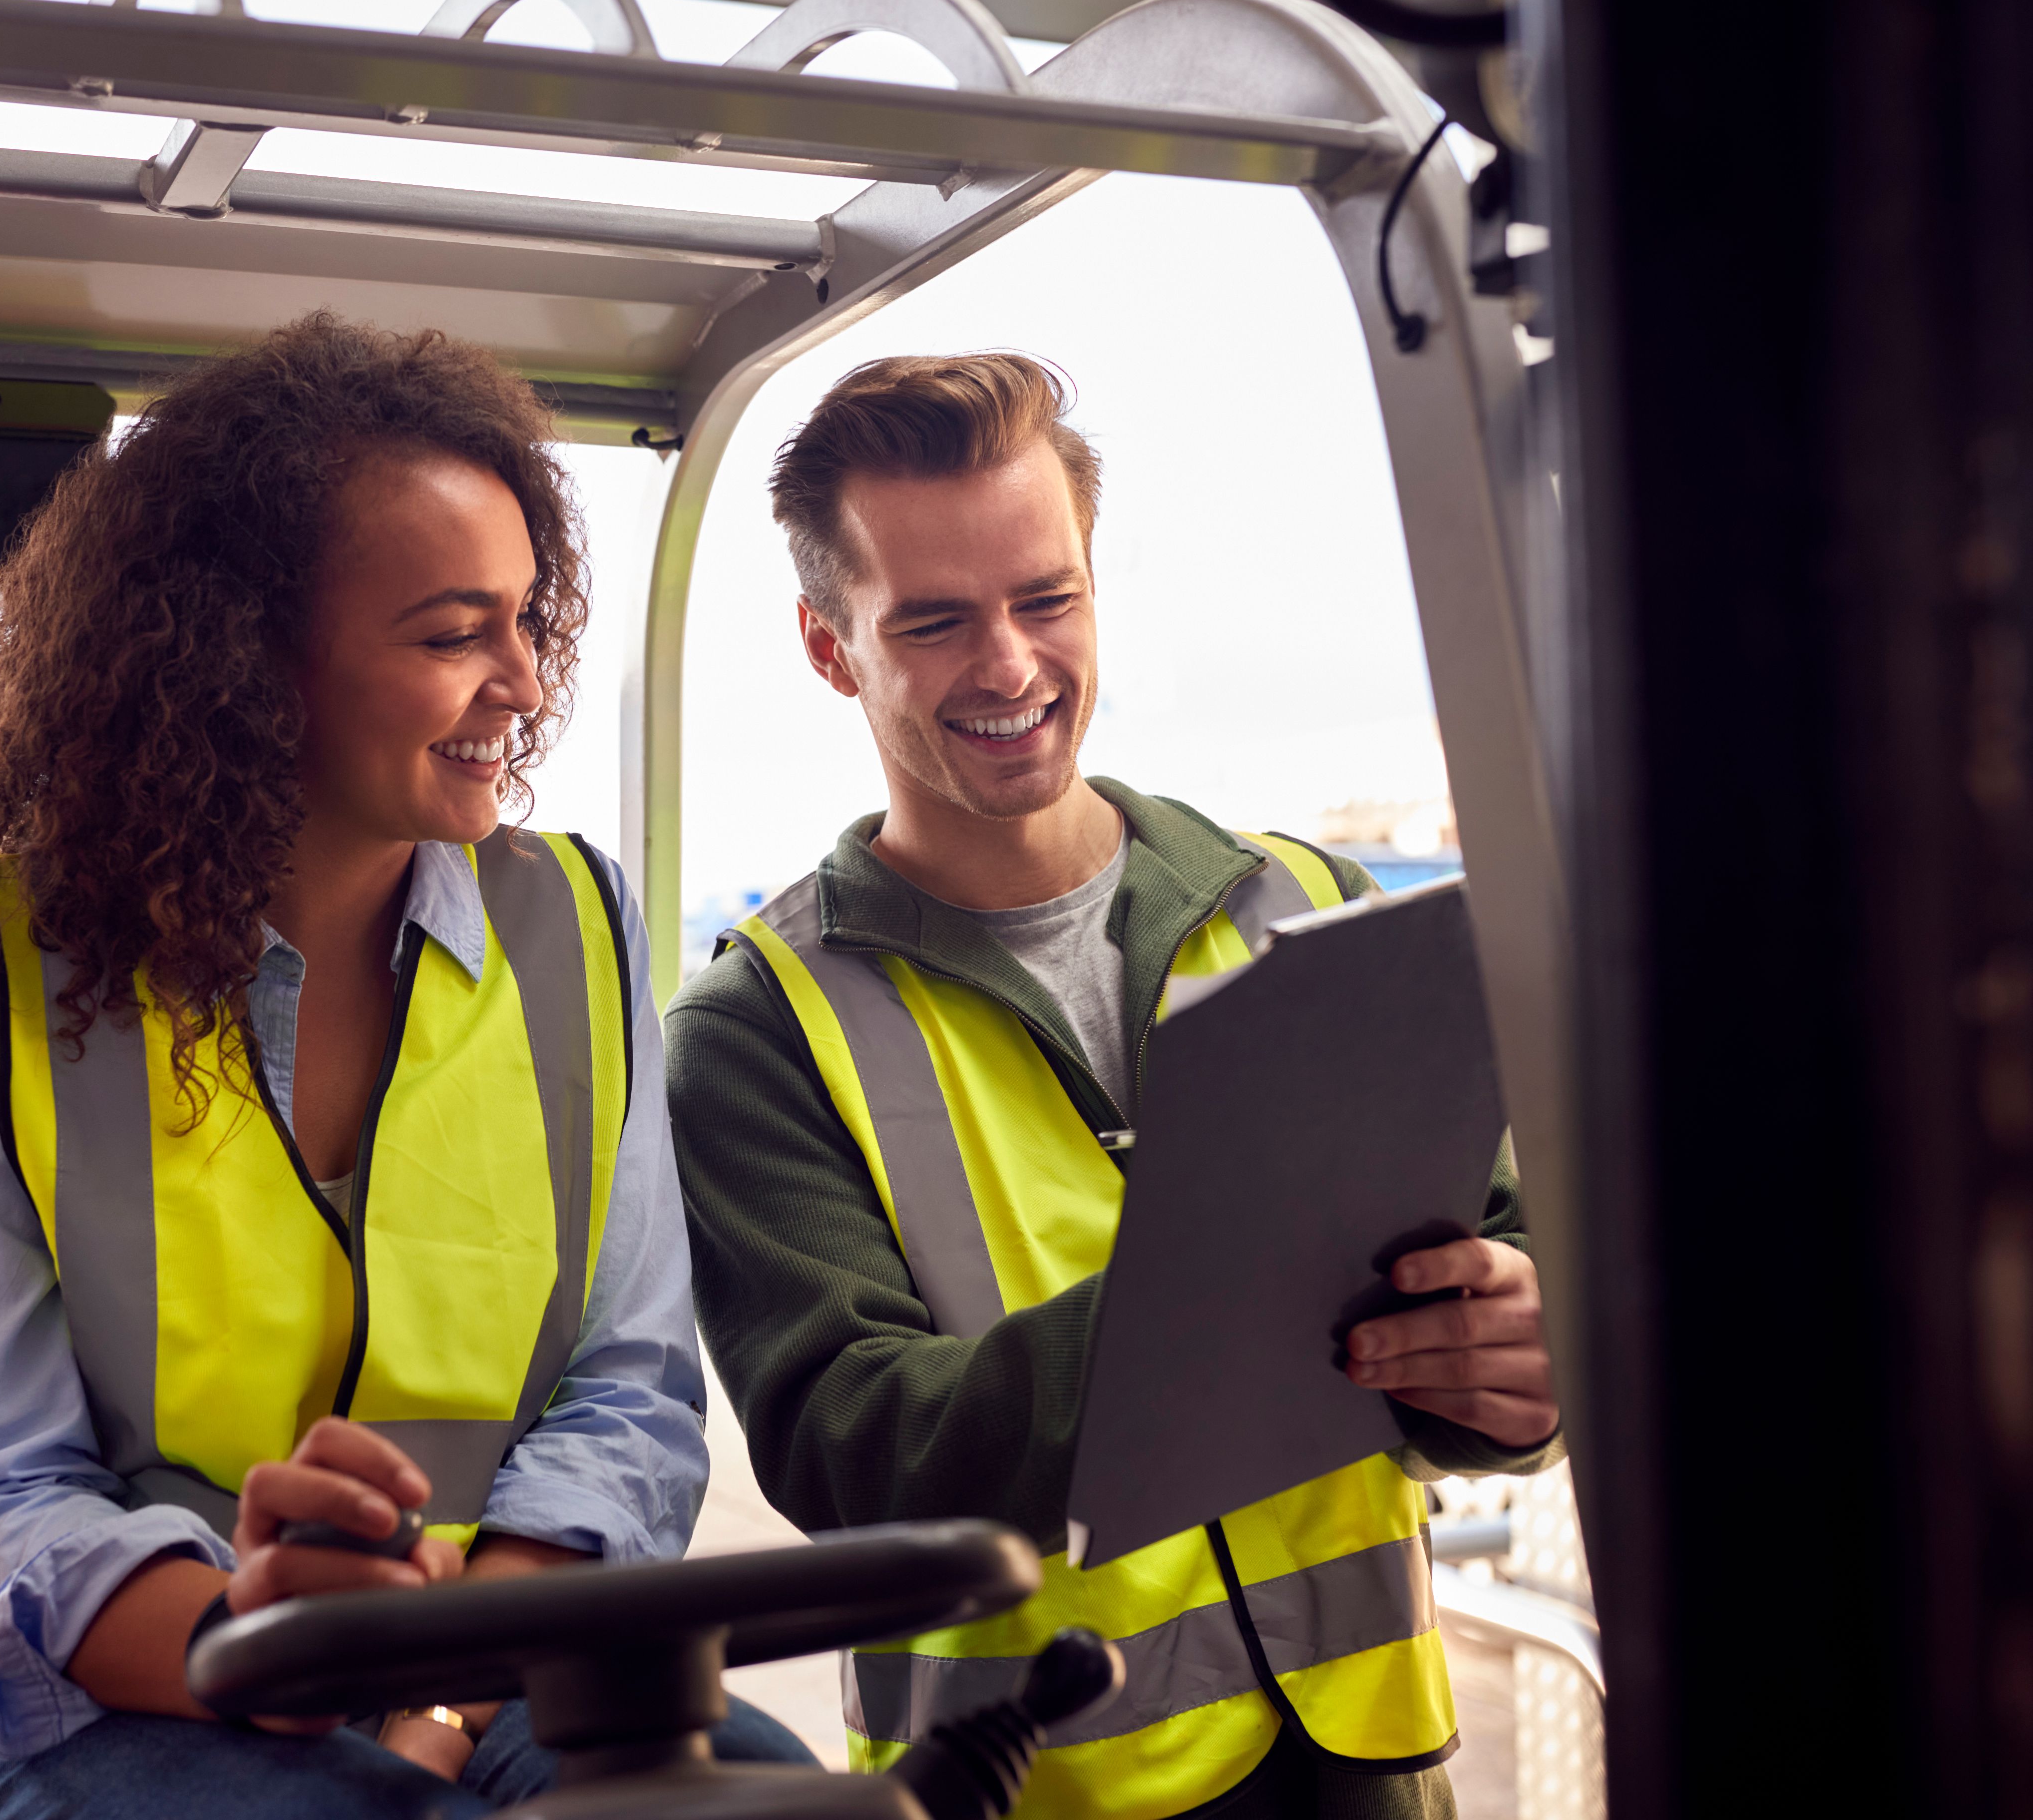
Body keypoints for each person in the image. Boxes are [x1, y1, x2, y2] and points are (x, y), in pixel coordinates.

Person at [0, 314, 808, 1818]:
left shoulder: (579, 930)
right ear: (247, 662)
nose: (525, 686)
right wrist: (271, 1650)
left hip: (475, 1657)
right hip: (39, 1698)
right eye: (452, 633)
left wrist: (441, 1694)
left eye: (528, 621)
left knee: (747, 1793)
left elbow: (631, 1394)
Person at [665, 354, 1563, 1820]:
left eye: (1047, 599)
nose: (1011, 666)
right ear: (833, 648)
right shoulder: (755, 1029)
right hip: (1029, 1782)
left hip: (1367, 1759)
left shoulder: (1311, 902)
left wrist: (1517, 1372)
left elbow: (1492, 1264)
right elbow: (856, 1449)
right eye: (937, 623)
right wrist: (1227, 1300)